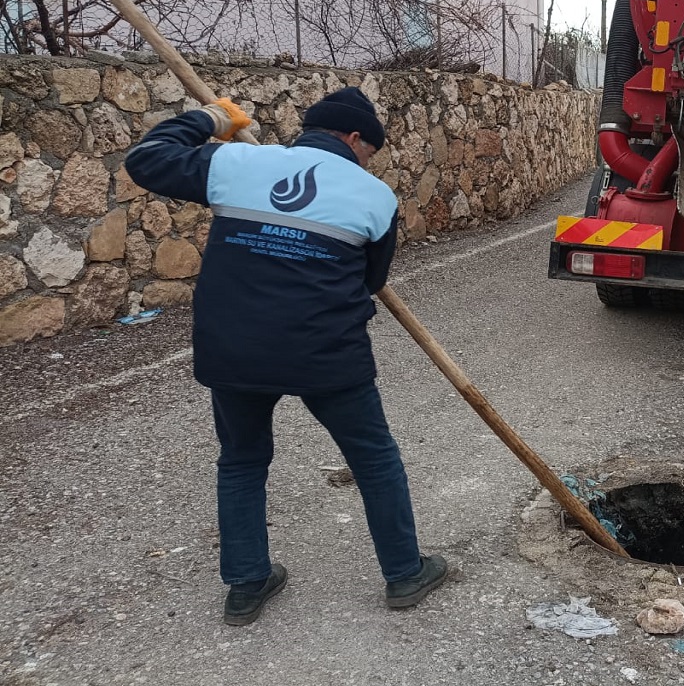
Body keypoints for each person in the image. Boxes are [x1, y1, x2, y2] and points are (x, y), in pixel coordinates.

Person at [125, 87, 448, 626]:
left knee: (242, 460)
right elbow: (371, 280)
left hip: (234, 352)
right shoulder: (376, 197)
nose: (370, 159)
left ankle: (247, 584)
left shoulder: (236, 161)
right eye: (370, 148)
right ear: (352, 139)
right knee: (373, 459)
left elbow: (145, 159)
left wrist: (210, 118)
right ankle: (404, 572)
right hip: (327, 354)